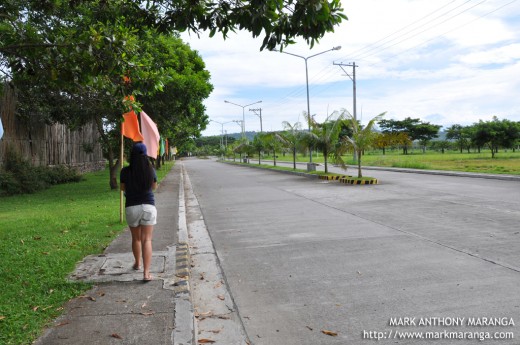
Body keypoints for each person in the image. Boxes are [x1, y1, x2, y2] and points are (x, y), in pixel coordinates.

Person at [120, 143, 158, 281]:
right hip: (148, 206)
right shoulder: (151, 170)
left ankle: (137, 263)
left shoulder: (125, 171)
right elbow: (153, 186)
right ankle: (146, 273)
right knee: (147, 239)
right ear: (145, 154)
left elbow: (122, 188)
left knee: (136, 238)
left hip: (131, 207)